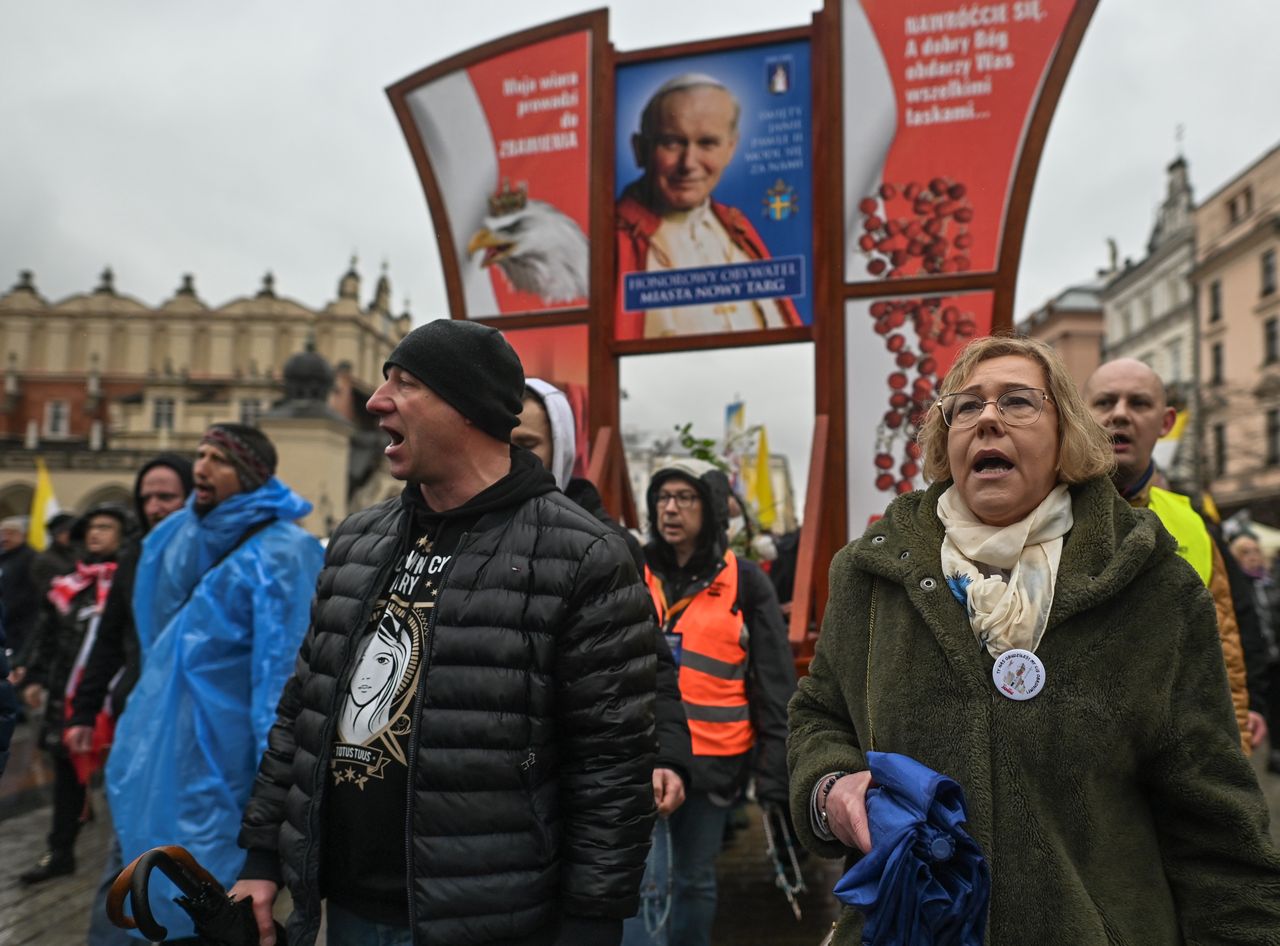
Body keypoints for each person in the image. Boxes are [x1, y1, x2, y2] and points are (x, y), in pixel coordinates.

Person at [789, 335, 1280, 942]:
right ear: (946, 440)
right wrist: (830, 785)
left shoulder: (1154, 585)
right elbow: (819, 715)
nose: (987, 418)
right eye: (966, 407)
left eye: (1018, 402)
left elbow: (1216, 823)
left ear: (1066, 434)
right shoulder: (870, 574)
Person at [234, 320, 658, 946]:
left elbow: (611, 762)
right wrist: (263, 858)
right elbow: (305, 708)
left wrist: (593, 920)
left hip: (490, 914)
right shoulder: (357, 538)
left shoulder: (584, 554)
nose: (377, 401)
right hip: (346, 907)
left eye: (405, 383)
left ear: (467, 408)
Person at [104, 424, 323, 941]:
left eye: (218, 458)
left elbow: (281, 677)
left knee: (217, 899)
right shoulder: (177, 538)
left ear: (250, 472)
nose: (201, 466)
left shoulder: (284, 552)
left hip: (226, 760)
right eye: (199, 454)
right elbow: (154, 634)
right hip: (163, 748)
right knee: (154, 880)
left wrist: (269, 790)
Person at [635, 457, 795, 946]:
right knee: (644, 882)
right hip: (640, 755)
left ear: (710, 509)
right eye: (663, 498)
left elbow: (773, 681)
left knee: (693, 878)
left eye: (685, 498)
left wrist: (776, 770)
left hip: (713, 761)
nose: (671, 509)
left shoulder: (745, 582)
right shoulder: (632, 571)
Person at [515, 379, 693, 813]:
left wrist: (667, 755)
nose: (511, 459)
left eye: (527, 444)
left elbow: (647, 665)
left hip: (575, 782)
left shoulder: (603, 545)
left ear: (559, 449)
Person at [1083, 358, 1255, 752]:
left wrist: (1236, 755)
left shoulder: (1191, 523)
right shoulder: (1041, 511)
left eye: (1139, 403)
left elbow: (1224, 653)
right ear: (1081, 415)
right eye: (1105, 402)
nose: (1120, 414)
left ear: (1165, 422)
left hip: (1171, 756)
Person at [64, 454, 193, 946]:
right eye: (146, 499)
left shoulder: (212, 553)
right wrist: (81, 709)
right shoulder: (137, 556)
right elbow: (109, 639)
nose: (155, 507)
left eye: (167, 496)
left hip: (192, 732)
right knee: (128, 846)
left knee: (183, 852)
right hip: (138, 724)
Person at [616, 73, 803, 340]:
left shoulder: (736, 227)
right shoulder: (611, 240)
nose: (688, 163)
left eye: (707, 143)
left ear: (730, 148)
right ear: (640, 149)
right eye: (672, 142)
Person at [17, 503, 132, 884]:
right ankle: (61, 850)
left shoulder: (133, 581)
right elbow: (46, 633)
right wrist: (34, 675)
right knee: (66, 771)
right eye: (91, 528)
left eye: (105, 526)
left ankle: (128, 854)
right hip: (70, 693)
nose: (96, 534)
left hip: (118, 696)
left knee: (121, 774)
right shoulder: (70, 584)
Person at [1231, 532, 1280, 773]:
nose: (1253, 557)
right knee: (1266, 706)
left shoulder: (1271, 580)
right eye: (1245, 552)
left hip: (1276, 654)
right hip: (1257, 662)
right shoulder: (1238, 588)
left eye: (1255, 551)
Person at [0, 515, 38, 660]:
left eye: (10, 533)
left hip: (19, 626)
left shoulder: (31, 558)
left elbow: (28, 594)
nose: (5, 538)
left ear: (22, 535)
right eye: (3, 533)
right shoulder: (3, 557)